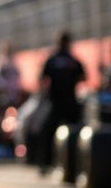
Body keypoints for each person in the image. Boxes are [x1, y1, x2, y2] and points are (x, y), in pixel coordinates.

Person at [37, 30, 86, 173]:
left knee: (47, 132)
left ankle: (45, 164)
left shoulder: (52, 59)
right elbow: (83, 77)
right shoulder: (73, 60)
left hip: (56, 102)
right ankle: (76, 165)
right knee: (77, 132)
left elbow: (42, 79)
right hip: (69, 102)